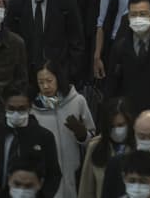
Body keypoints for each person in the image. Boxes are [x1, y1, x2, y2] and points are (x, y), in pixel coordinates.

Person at [0, 85, 61, 197]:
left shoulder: (44, 137)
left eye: (22, 108)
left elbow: (53, 174)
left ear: (30, 107)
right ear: (4, 106)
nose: (16, 113)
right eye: (11, 108)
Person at [31, 59, 95, 198]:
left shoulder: (77, 101)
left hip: (74, 173)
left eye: (49, 80)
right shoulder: (33, 110)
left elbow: (92, 140)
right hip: (47, 177)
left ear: (58, 78)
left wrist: (82, 134)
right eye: (41, 82)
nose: (45, 86)